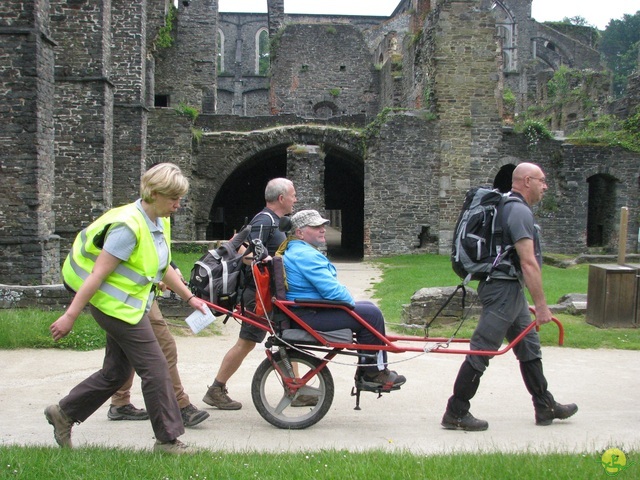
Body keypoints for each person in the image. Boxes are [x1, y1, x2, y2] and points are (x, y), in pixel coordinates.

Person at [45, 163, 208, 454]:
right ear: (154, 193)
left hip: (129, 308)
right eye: (173, 198)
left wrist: (189, 298)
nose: (178, 204)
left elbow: (163, 266)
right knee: (156, 368)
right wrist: (70, 315)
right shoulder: (128, 227)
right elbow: (97, 275)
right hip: (115, 310)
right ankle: (168, 441)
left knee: (116, 373)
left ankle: (64, 413)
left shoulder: (159, 219)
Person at [441, 162, 578, 431]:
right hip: (502, 291)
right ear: (526, 181)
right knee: (481, 350)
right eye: (542, 180)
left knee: (528, 346)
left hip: (510, 290)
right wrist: (541, 306)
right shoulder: (517, 210)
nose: (545, 185)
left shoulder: (511, 207)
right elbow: (529, 263)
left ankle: (544, 404)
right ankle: (456, 411)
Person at [202, 177, 302, 410]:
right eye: (293, 194)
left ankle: (295, 388)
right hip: (257, 294)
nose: (295, 199)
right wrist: (266, 261)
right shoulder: (264, 220)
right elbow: (245, 253)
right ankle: (216, 389)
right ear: (281, 198)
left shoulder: (274, 221)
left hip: (267, 293)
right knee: (247, 342)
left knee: (286, 337)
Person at [280, 209, 406, 390]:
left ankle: (368, 370)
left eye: (323, 225)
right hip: (308, 314)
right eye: (316, 227)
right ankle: (374, 372)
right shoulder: (305, 255)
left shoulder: (297, 250)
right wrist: (349, 301)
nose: (322, 229)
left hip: (305, 311)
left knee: (368, 308)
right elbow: (333, 292)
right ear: (300, 232)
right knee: (371, 314)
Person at [107, 263, 209, 428]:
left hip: (125, 296)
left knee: (127, 349)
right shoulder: (131, 237)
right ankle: (180, 405)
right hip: (131, 294)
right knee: (165, 348)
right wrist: (158, 278)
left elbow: (158, 254)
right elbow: (141, 257)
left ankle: (119, 402)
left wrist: (172, 268)